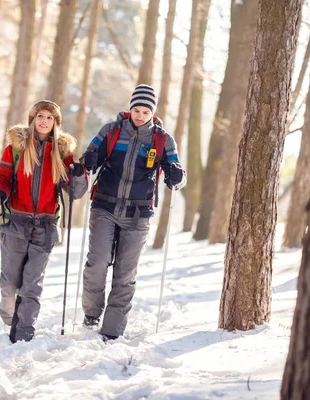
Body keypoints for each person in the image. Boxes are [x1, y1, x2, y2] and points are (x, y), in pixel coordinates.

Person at [81, 84, 186, 341]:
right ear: (130, 109)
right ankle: (91, 314)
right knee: (97, 264)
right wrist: (90, 159)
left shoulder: (162, 140)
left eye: (145, 111)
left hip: (138, 214)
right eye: (136, 110)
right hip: (104, 206)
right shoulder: (112, 131)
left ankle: (112, 330)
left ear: (152, 112)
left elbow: (179, 177)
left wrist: (176, 176)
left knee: (125, 274)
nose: (140, 115)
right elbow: (88, 157)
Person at [0, 100, 88, 343]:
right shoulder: (16, 148)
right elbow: (2, 176)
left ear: (56, 123)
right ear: (33, 119)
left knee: (32, 284)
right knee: (10, 282)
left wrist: (78, 175)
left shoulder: (63, 152)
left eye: (50, 118)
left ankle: (23, 333)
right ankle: (8, 311)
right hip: (16, 220)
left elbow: (75, 192)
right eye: (40, 116)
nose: (44, 121)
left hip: (45, 224)